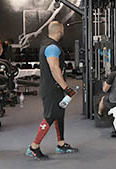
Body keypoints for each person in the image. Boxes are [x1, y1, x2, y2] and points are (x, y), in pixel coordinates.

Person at [26, 21, 78, 160]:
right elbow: (54, 69)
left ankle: (61, 144)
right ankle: (34, 147)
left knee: (59, 114)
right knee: (50, 116)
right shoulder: (52, 47)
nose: (63, 32)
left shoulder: (48, 44)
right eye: (63, 30)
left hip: (55, 87)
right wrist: (66, 88)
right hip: (51, 88)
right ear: (59, 31)